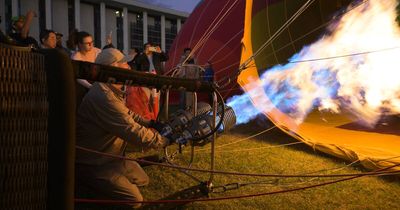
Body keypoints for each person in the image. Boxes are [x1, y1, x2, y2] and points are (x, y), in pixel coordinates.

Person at [75, 48, 170, 209]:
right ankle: (86, 186)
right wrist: (164, 140)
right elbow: (130, 129)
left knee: (142, 179)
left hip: (113, 157)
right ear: (114, 68)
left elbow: (128, 114)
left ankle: (104, 185)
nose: (129, 67)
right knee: (134, 200)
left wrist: (151, 123)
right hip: (94, 163)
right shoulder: (103, 96)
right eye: (124, 63)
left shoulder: (111, 89)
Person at [135, 43, 168, 118]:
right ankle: (147, 116)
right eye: (147, 47)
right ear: (144, 48)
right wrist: (144, 53)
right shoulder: (142, 56)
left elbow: (166, 58)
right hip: (146, 79)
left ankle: (156, 115)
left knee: (156, 98)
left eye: (150, 47)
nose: (149, 48)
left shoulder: (156, 55)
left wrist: (160, 51)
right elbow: (137, 62)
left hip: (156, 78)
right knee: (146, 98)